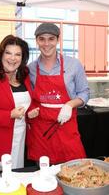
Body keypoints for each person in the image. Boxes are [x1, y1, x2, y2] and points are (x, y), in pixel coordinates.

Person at [26, 22, 90, 165]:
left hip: (66, 129)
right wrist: (30, 111)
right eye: (42, 39)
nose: (46, 43)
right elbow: (28, 99)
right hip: (42, 133)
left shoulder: (73, 65)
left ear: (57, 40)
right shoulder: (30, 69)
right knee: (44, 177)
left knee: (74, 172)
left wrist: (70, 104)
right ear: (36, 41)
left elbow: (85, 92)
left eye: (51, 39)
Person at [0, 34, 36, 172]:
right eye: (8, 53)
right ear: (1, 54)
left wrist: (30, 112)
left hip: (19, 138)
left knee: (16, 179)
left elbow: (26, 101)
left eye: (17, 54)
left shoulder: (23, 74)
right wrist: (9, 114)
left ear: (23, 57)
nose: (12, 58)